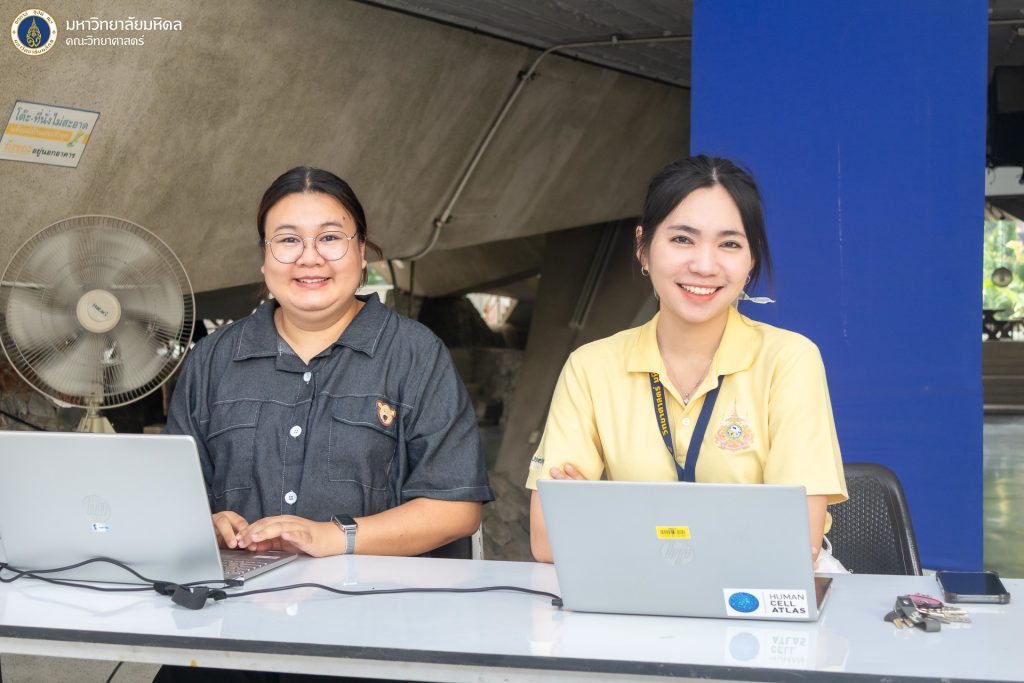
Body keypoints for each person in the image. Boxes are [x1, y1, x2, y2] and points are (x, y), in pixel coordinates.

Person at [526, 155, 847, 570]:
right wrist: (741, 526)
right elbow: (548, 538)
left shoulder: (789, 360)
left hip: (758, 594)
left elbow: (793, 542)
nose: (704, 265)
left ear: (751, 259)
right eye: (682, 239)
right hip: (633, 591)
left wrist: (608, 519)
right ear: (643, 247)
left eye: (729, 244)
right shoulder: (590, 367)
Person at [166, 166, 493, 560]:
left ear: (361, 251)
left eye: (330, 238)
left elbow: (456, 508)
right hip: (236, 593)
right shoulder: (213, 359)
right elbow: (169, 497)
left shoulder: (415, 354)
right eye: (288, 240)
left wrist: (333, 537)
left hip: (374, 594)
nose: (310, 258)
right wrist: (207, 523)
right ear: (264, 257)